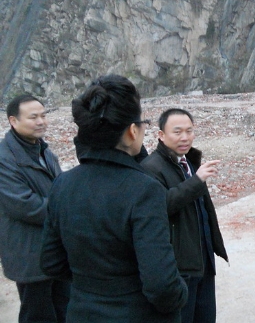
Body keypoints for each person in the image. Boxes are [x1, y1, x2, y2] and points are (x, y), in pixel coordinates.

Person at [40, 75, 187, 322]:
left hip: (82, 313)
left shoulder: (62, 184)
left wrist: (93, 286)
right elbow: (161, 285)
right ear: (132, 131)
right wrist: (181, 292)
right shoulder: (144, 190)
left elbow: (51, 262)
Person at [141, 108, 228, 323]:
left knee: (206, 317)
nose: (185, 137)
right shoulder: (151, 168)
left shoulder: (188, 160)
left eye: (189, 131)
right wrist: (196, 181)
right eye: (177, 132)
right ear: (161, 135)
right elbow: (162, 205)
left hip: (202, 257)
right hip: (180, 265)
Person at [0, 95, 70, 323]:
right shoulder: (4, 159)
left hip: (55, 249)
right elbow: (24, 206)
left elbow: (61, 189)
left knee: (65, 310)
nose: (41, 121)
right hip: (29, 254)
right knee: (38, 315)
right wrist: (68, 211)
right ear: (13, 121)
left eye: (43, 115)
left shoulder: (44, 151)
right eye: (33, 117)